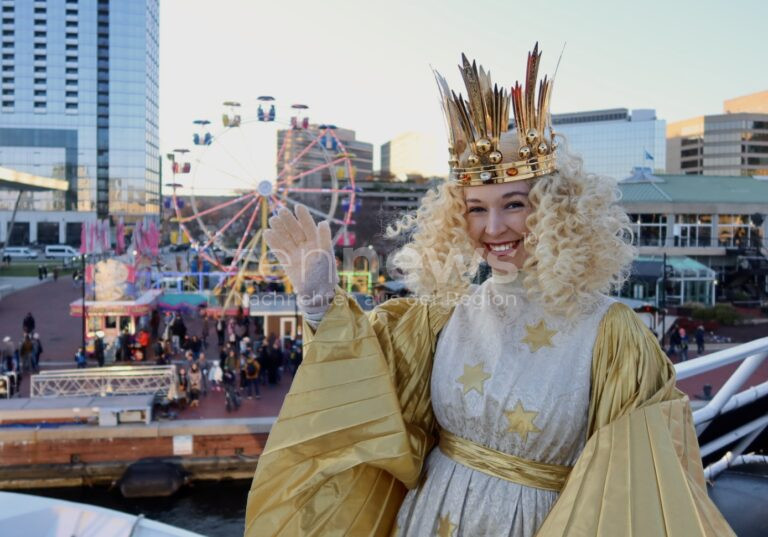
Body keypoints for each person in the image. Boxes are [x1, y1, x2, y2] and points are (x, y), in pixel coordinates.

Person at [244, 46, 734, 536]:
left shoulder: (612, 334)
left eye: (513, 204)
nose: (494, 227)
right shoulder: (440, 317)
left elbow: (639, 483)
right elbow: (366, 398)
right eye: (476, 208)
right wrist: (319, 307)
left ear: (555, 209)